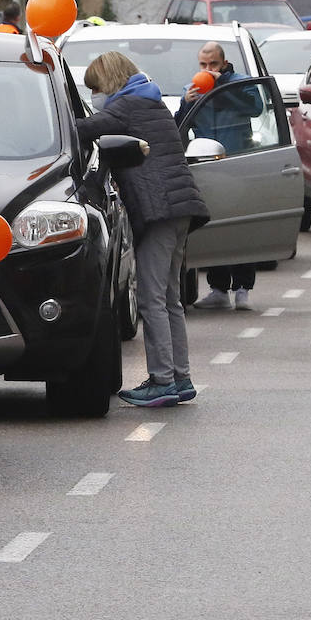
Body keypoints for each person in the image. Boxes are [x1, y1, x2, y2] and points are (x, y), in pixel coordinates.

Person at [77, 51, 210, 408]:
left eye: (95, 88)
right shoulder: (151, 101)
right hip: (179, 209)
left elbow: (82, 131)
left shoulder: (125, 106)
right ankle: (180, 377)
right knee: (169, 298)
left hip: (158, 210)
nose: (95, 96)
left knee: (151, 299)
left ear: (108, 82)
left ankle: (163, 380)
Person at [176, 41, 263, 310]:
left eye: (213, 64)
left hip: (238, 163)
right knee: (213, 226)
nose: (208, 69)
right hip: (208, 163)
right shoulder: (193, 88)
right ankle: (218, 289)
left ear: (223, 64)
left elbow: (255, 107)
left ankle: (243, 288)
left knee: (241, 227)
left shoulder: (238, 83)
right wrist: (187, 104)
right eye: (203, 65)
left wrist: (219, 88)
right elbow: (179, 126)